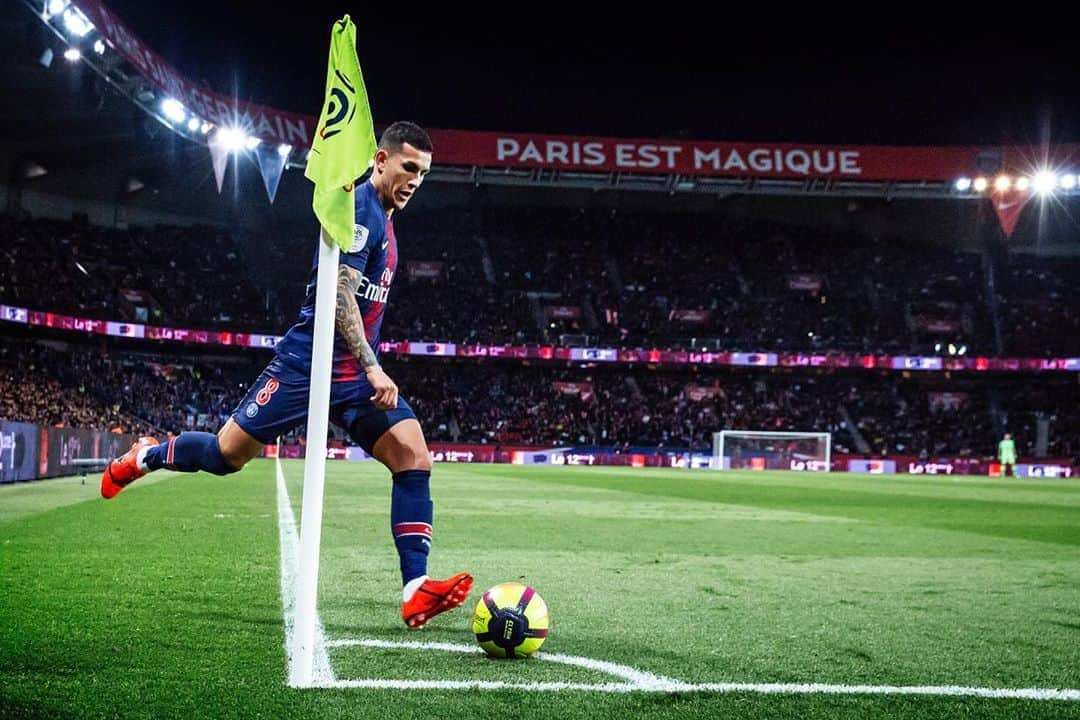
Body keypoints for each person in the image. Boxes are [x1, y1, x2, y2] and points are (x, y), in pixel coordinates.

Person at [101, 121, 472, 629]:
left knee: (414, 456)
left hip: (353, 378)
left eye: (424, 173)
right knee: (225, 455)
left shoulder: (386, 218)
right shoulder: (361, 209)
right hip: (307, 364)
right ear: (380, 160)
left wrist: (364, 370)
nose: (415, 180)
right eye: (409, 167)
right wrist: (372, 365)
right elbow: (340, 296)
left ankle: (414, 589)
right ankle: (145, 456)